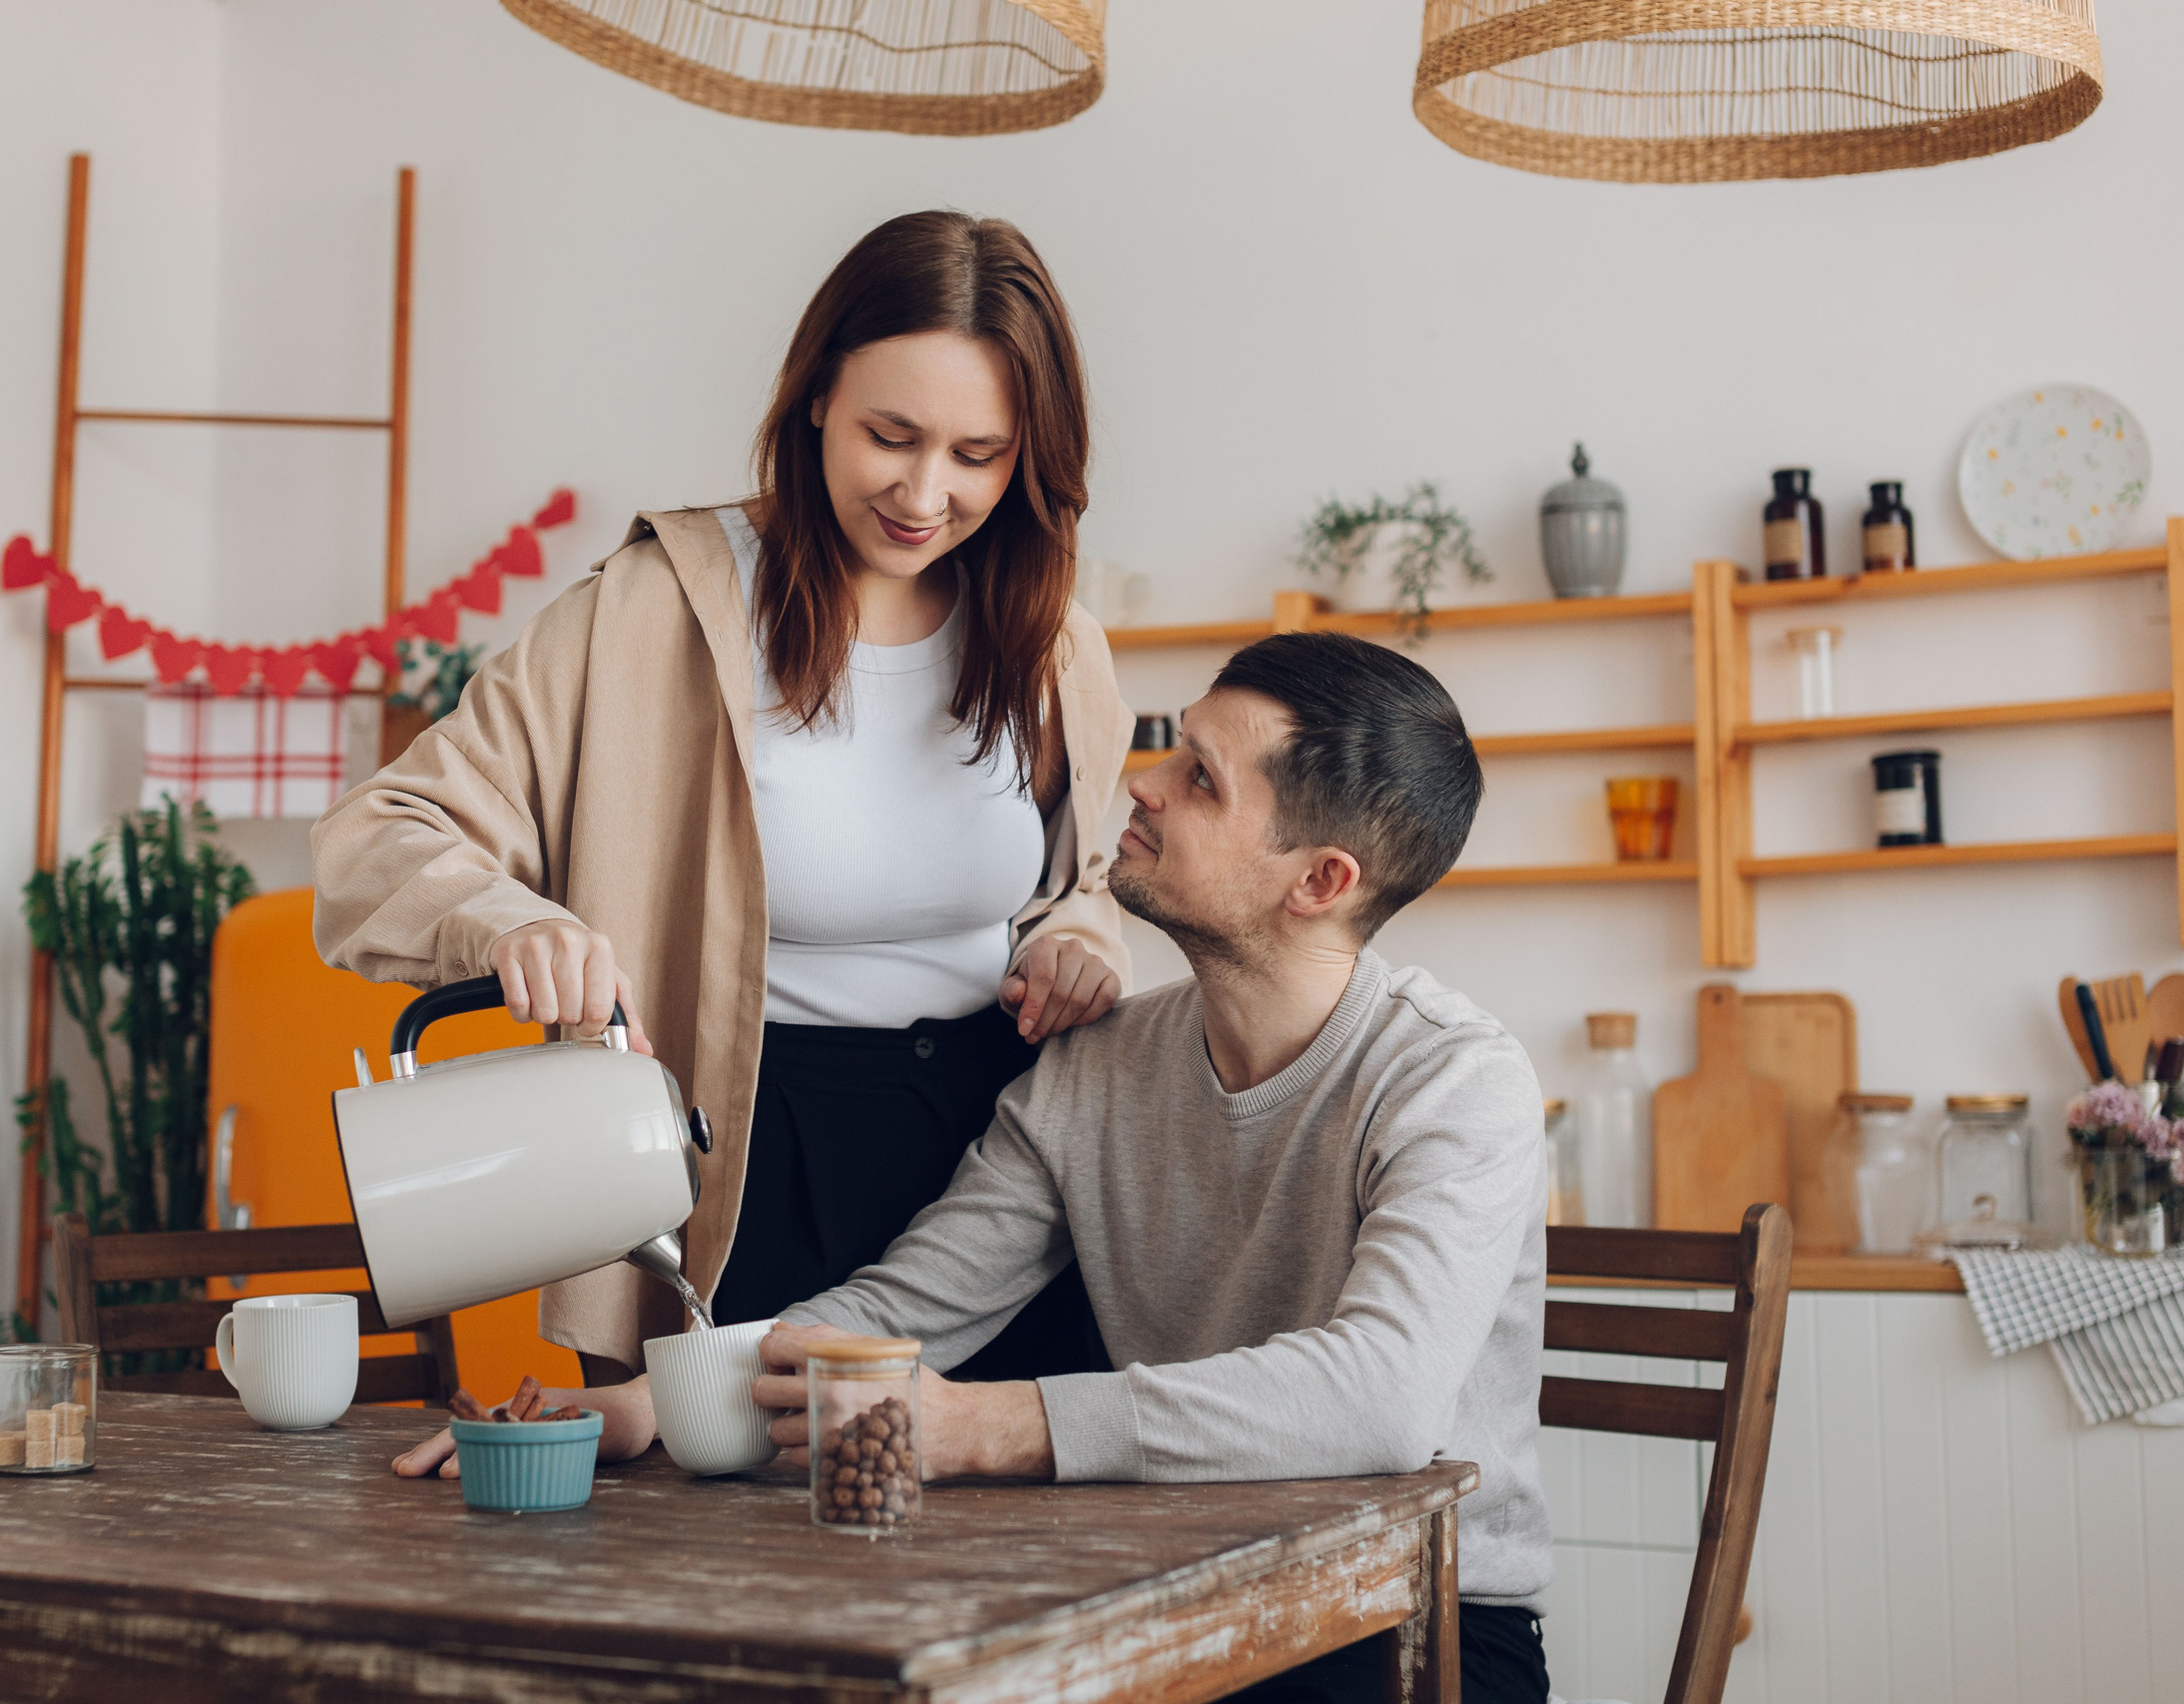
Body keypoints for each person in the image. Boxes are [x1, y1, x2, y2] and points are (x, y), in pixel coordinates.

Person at [313, 211, 1133, 1445]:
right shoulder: (659, 605)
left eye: (979, 454)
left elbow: (1100, 871)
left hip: (1003, 1162)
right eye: (890, 437)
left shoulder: (1045, 630)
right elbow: (378, 835)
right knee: (742, 1560)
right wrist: (508, 919)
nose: (925, 494)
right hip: (745, 1158)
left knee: (1010, 1564)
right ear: (814, 399)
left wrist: (1085, 934)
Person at [753, 631, 1553, 1703]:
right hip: (1174, 1597)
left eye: (1201, 780)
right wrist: (671, 1408)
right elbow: (907, 1307)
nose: (1145, 781)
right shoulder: (1100, 1066)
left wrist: (984, 1429)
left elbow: (1384, 1397)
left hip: (1420, 1618)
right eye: (1176, 750)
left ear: (1319, 880)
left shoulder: (1457, 1080)